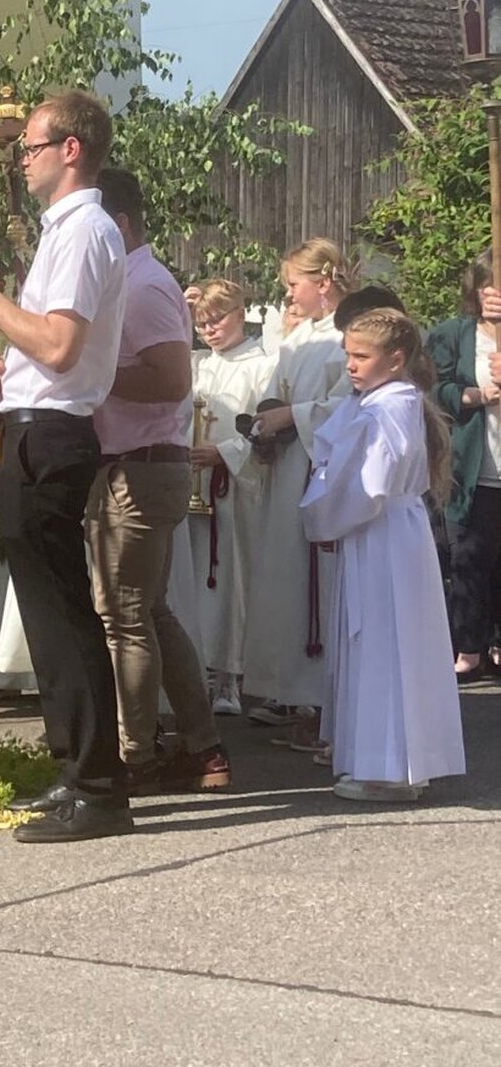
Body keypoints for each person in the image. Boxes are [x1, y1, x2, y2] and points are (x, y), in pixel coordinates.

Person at [0, 91, 130, 843]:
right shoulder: (64, 231)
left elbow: (60, 346)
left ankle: (98, 785)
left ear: (70, 149)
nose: (18, 159)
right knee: (46, 611)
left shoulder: (86, 229)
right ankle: (74, 769)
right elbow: (44, 355)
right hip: (34, 421)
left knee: (63, 612)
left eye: (28, 146)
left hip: (55, 436)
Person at [84, 169, 229, 793]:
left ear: (116, 225)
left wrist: (88, 373)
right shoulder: (129, 282)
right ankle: (203, 747)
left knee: (125, 617)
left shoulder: (143, 286)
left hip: (141, 467)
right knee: (151, 612)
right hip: (138, 465)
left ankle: (136, 757)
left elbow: (171, 380)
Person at [300, 310, 465, 801]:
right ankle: (373, 758)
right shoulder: (374, 400)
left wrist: (324, 517)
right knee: (371, 638)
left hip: (383, 531)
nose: (349, 365)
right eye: (348, 354)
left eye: (361, 356)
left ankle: (389, 768)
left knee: (386, 642)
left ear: (395, 360)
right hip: (373, 530)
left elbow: (371, 482)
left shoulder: (390, 406)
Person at [242, 238, 353, 734]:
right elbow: (275, 392)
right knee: (283, 579)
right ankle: (289, 690)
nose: (288, 294)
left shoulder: (346, 334)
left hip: (317, 470)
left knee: (314, 584)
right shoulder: (299, 337)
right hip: (286, 465)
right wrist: (266, 419)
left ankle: (322, 697)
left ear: (323, 283)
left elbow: (349, 404)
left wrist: (293, 416)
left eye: (293, 284)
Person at [187, 279, 272, 716]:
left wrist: (223, 452)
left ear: (241, 312)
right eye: (202, 323)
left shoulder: (263, 365)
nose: (209, 330)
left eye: (217, 319)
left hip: (235, 489)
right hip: (192, 487)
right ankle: (195, 670)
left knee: (231, 583)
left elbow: (263, 429)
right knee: (193, 580)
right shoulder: (197, 364)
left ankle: (230, 678)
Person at [425, 252, 501, 682]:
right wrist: (477, 394)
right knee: (468, 558)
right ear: (477, 290)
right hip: (474, 469)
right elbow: (434, 387)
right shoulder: (454, 334)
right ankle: (468, 646)